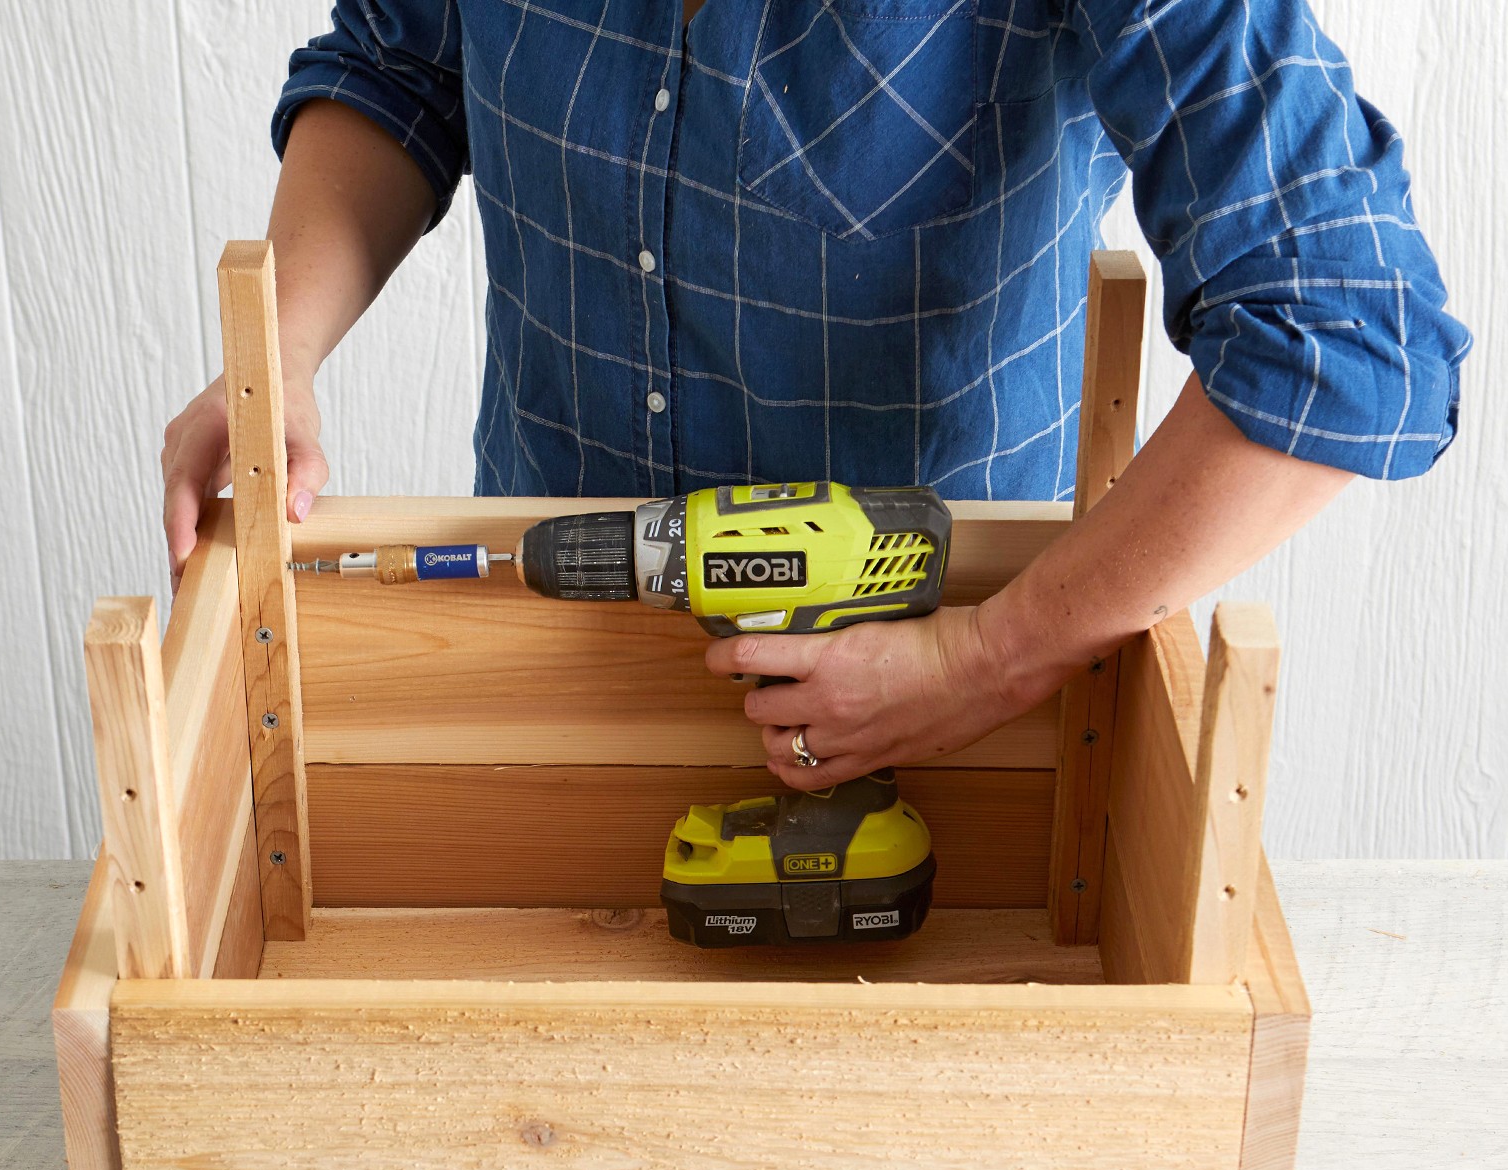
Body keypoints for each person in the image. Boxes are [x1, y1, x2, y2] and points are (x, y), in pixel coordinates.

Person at [161, 0, 1468, 790]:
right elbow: (400, 68)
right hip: (554, 624)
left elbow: (1347, 335)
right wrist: (278, 349)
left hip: (943, 704)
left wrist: (985, 658)